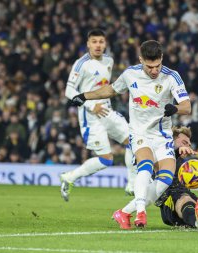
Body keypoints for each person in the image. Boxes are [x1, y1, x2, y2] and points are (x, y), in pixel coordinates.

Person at [70, 40, 191, 227]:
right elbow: (111, 89)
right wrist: (85, 95)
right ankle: (141, 213)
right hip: (139, 132)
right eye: (149, 66)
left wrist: (174, 108)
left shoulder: (171, 77)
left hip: (162, 135)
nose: (154, 70)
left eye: (157, 65)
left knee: (165, 179)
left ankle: (124, 212)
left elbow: (187, 106)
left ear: (162, 59)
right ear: (141, 60)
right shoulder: (130, 74)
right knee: (146, 165)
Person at [61, 29, 130, 201]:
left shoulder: (109, 60)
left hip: (107, 111)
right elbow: (69, 91)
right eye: (94, 41)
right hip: (90, 116)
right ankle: (69, 177)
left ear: (105, 44)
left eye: (101, 41)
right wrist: (92, 106)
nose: (98, 45)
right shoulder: (81, 64)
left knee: (134, 141)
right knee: (107, 160)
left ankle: (132, 184)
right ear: (88, 44)